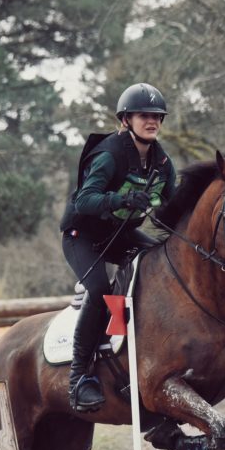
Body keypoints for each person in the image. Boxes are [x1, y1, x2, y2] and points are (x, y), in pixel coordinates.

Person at [59, 82, 177, 413]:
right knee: (98, 288)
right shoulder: (109, 154)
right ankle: (79, 379)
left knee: (162, 262)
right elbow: (84, 200)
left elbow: (174, 204)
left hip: (120, 234)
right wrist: (121, 199)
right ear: (126, 120)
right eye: (144, 115)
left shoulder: (162, 162)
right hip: (81, 235)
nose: (152, 121)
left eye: (157, 116)